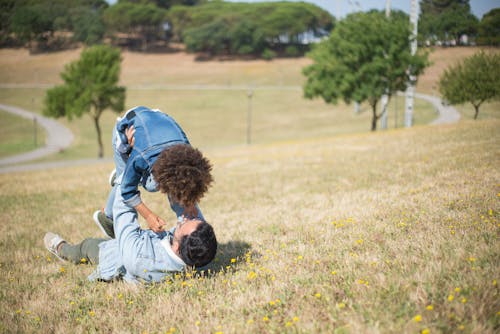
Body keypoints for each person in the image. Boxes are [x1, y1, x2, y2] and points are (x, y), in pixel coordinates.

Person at [43, 183, 217, 283]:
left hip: (118, 254)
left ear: (178, 244)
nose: (185, 219)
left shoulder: (140, 257)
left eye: (183, 224)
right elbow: (187, 212)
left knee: (87, 247)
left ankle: (60, 248)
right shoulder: (198, 249)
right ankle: (110, 222)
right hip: (141, 240)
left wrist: (129, 175)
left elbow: (125, 209)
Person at [94, 106, 213, 238]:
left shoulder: (187, 152)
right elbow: (127, 191)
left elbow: (186, 183)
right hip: (127, 133)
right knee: (127, 181)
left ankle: (197, 235)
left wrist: (190, 205)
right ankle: (107, 217)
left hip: (152, 124)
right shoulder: (141, 156)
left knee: (179, 189)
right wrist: (148, 216)